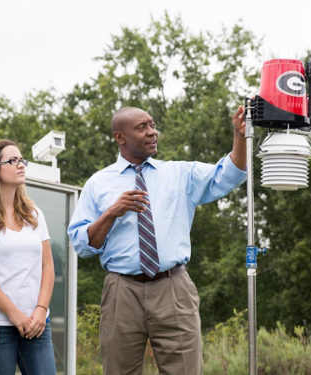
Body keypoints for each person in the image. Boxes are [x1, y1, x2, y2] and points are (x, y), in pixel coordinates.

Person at [68, 106, 248, 374]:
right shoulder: (98, 183)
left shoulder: (179, 173)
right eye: (142, 127)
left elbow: (229, 174)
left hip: (173, 286)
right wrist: (111, 212)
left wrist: (239, 134)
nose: (152, 132)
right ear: (120, 137)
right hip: (121, 290)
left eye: (152, 125)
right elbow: (83, 246)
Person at [0, 139, 57, 375]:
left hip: (37, 324)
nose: (20, 164)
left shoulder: (34, 213)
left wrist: (42, 309)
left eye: (22, 160)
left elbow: (48, 265)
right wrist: (13, 313)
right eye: (12, 160)